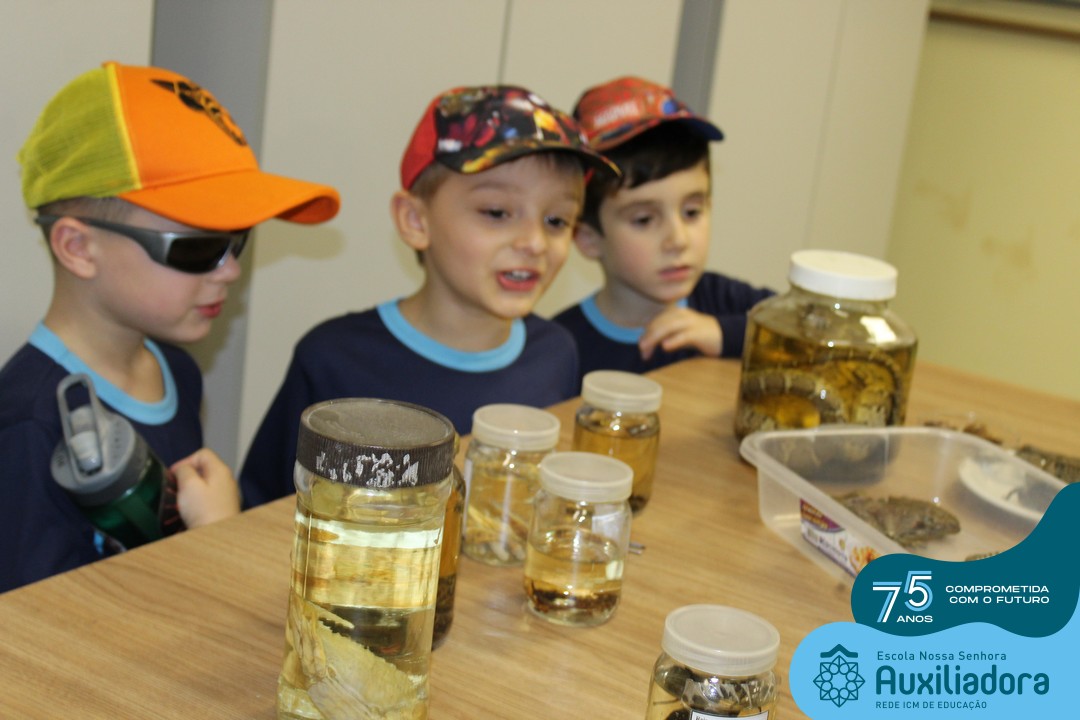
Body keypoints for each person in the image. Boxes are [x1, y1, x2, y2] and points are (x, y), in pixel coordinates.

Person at [0, 61, 340, 592]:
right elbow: (30, 631)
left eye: (238, 241)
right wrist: (213, 544)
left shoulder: (176, 372)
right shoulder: (28, 426)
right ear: (78, 248)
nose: (230, 271)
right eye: (198, 248)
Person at [240, 85, 617, 507]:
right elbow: (262, 511)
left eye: (557, 220)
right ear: (416, 221)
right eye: (497, 213)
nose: (534, 242)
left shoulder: (556, 353)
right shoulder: (335, 359)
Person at [553, 76, 774, 382]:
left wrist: (726, 334)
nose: (678, 240)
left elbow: (814, 328)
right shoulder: (559, 349)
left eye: (692, 212)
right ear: (587, 238)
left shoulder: (723, 301)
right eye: (644, 220)